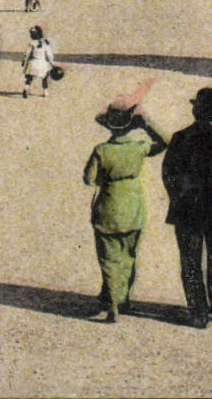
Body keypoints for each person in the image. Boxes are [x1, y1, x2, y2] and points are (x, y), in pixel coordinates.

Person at [84, 84, 168, 322]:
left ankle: (112, 305)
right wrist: (146, 124)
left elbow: (89, 179)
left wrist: (103, 178)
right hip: (134, 204)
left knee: (109, 256)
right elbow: (164, 142)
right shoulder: (138, 148)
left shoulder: (101, 150)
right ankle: (125, 299)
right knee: (129, 254)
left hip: (109, 204)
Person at [162, 87, 212, 328]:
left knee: (190, 261)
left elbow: (168, 175)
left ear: (195, 110)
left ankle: (198, 311)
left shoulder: (179, 138)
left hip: (187, 210)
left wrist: (178, 197)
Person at [22, 25, 56, 97]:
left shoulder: (32, 43)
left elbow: (27, 53)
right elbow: (49, 54)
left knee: (29, 77)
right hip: (42, 63)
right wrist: (51, 62)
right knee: (44, 77)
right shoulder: (45, 42)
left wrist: (24, 60)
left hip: (33, 62)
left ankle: (26, 88)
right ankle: (45, 91)